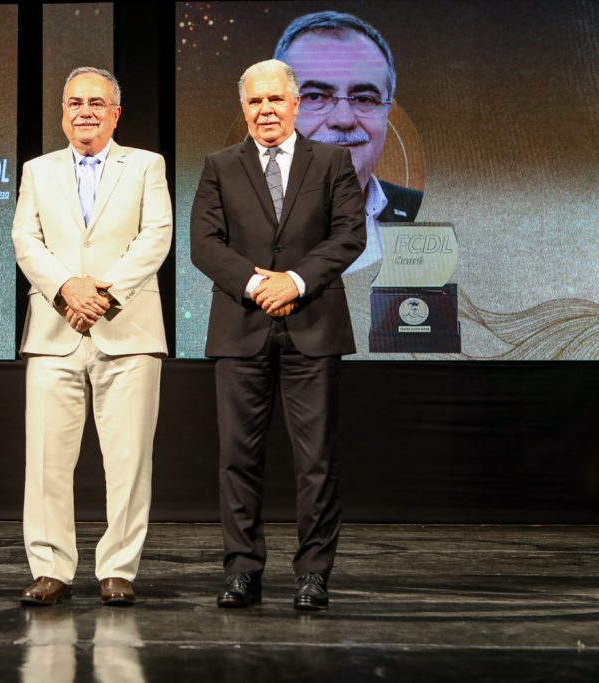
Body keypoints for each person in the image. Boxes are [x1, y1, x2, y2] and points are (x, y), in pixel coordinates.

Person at [190, 59, 365, 610]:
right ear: (244, 109)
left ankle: (313, 573)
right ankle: (242, 571)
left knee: (316, 461)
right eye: (254, 101)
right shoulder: (219, 166)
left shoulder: (332, 162)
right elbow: (204, 243)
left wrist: (295, 281)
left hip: (314, 326)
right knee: (237, 458)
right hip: (240, 329)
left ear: (295, 104)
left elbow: (349, 235)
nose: (265, 110)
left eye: (274, 99)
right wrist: (256, 285)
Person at [12, 66, 172, 607]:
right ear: (63, 113)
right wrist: (67, 288)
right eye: (75, 103)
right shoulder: (37, 170)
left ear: (115, 113)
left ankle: (118, 569)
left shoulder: (146, 165)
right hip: (54, 329)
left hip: (128, 330)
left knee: (129, 460)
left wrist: (103, 294)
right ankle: (50, 568)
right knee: (46, 461)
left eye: (97, 103)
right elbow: (26, 240)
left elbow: (156, 236)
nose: (85, 111)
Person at [275, 10, 419, 273]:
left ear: (387, 112)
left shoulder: (421, 216)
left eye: (364, 99)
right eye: (315, 96)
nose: (343, 119)